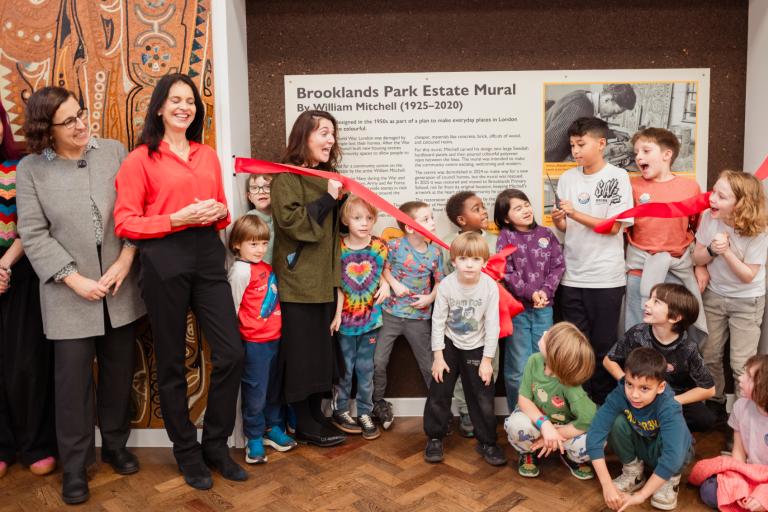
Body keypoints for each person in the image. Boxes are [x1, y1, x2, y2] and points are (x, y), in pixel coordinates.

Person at [114, 73, 246, 490]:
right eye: (175, 100)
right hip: (163, 258)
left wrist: (215, 214)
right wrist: (175, 219)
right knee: (170, 361)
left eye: (190, 101)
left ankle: (217, 446)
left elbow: (223, 210)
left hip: (208, 253)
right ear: (159, 107)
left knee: (231, 353)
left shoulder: (206, 155)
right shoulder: (140, 159)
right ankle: (186, 453)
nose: (184, 106)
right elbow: (125, 221)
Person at [17, 87, 145, 504]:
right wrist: (73, 279)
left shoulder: (113, 151)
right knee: (72, 386)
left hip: (119, 286)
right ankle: (75, 467)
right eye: (68, 120)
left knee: (118, 372)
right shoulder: (31, 169)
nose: (80, 124)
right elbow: (33, 234)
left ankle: (115, 445)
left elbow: (134, 210)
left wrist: (126, 261)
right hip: (67, 293)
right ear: (46, 130)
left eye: (81, 114)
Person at [270, 110, 346, 448]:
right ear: (305, 136)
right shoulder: (286, 178)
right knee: (301, 355)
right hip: (298, 283)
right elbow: (294, 224)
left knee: (320, 354)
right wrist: (329, 198)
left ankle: (316, 416)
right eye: (324, 133)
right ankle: (302, 421)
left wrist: (339, 203)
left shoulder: (329, 176)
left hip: (324, 281)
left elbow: (334, 230)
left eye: (333, 134)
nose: (330, 140)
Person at [551, 116, 633, 404]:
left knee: (603, 346)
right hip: (571, 276)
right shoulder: (567, 178)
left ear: (601, 143)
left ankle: (603, 405)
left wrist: (573, 214)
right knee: (577, 346)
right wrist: (561, 220)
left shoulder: (618, 177)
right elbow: (565, 230)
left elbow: (612, 227)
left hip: (606, 278)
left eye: (581, 144)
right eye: (572, 145)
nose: (575, 151)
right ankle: (579, 403)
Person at [0, 99, 57, 481]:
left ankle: (37, 443)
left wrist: (4, 264)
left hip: (21, 273)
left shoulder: (20, 169)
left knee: (28, 362)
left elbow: (33, 223)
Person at [422, 232, 505, 466]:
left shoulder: (489, 286)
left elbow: (492, 325)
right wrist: (438, 357)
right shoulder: (447, 285)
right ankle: (435, 438)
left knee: (482, 397)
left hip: (478, 346)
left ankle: (488, 442)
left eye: (476, 259)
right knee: (439, 393)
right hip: (449, 343)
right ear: (454, 260)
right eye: (464, 259)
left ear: (485, 262)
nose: (469, 264)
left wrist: (487, 361)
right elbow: (437, 321)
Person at [693, 170, 767, 408]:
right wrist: (712, 252)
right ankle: (715, 407)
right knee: (710, 355)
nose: (712, 198)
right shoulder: (708, 217)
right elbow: (697, 258)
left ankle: (742, 416)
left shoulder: (758, 230)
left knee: (741, 364)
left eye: (721, 196)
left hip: (747, 301)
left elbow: (748, 276)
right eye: (713, 191)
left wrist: (726, 252)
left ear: (740, 204)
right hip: (714, 295)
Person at [624, 128, 706, 338]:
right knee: (637, 329)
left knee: (677, 329)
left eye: (645, 150)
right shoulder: (631, 186)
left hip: (677, 269)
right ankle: (638, 370)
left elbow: (699, 230)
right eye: (636, 153)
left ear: (666, 155)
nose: (638, 157)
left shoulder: (690, 188)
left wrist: (701, 266)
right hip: (640, 270)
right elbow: (622, 228)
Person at [587, 348, 692, 511]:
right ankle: (633, 473)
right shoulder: (620, 393)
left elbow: (673, 456)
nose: (634, 395)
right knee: (616, 421)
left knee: (676, 441)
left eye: (644, 388)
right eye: (630, 384)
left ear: (661, 387)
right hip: (643, 444)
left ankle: (669, 479)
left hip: (669, 455)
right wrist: (606, 484)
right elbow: (595, 435)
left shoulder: (669, 406)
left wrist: (641, 496)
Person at [227, 215, 296, 464]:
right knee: (255, 391)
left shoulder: (266, 268)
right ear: (237, 244)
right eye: (253, 244)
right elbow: (233, 307)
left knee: (273, 388)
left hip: (274, 339)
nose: (260, 249)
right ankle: (253, 437)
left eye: (263, 244)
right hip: (254, 342)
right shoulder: (239, 272)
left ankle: (272, 428)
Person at [604, 283, 716, 432]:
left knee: (705, 419)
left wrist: (672, 402)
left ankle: (672, 432)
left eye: (656, 301)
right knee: (615, 412)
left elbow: (709, 389)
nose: (647, 304)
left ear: (675, 317)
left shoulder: (689, 348)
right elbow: (608, 360)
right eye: (650, 298)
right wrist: (629, 385)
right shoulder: (637, 333)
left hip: (672, 396)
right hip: (639, 393)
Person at [373, 201, 444, 430]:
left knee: (428, 365)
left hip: (419, 317)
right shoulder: (393, 246)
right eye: (425, 219)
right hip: (390, 314)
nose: (432, 222)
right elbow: (381, 267)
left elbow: (440, 281)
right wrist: (392, 283)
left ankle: (438, 409)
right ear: (410, 227)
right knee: (378, 362)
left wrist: (430, 298)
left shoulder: (436, 251)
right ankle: (378, 403)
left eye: (431, 218)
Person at [494, 188, 564, 411]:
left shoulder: (547, 234)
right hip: (518, 309)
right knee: (518, 364)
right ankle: (519, 413)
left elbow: (558, 266)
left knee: (543, 359)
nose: (525, 210)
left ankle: (543, 411)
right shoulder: (506, 236)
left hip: (544, 307)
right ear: (506, 217)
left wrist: (545, 291)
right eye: (518, 208)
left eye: (526, 204)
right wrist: (529, 293)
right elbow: (507, 270)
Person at [503, 322, 596, 480]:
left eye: (548, 335)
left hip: (562, 430)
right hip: (535, 421)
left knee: (595, 441)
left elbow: (589, 419)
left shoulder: (570, 385)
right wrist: (545, 425)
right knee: (516, 424)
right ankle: (528, 452)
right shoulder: (534, 361)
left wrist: (556, 434)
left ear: (554, 354)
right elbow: (524, 399)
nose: (544, 332)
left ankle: (570, 456)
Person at [330, 196, 389, 440]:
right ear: (345, 220)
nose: (364, 223)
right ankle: (341, 410)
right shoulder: (338, 248)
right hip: (346, 321)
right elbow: (338, 285)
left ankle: (364, 412)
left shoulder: (380, 246)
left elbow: (383, 269)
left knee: (366, 368)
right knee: (345, 369)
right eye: (357, 218)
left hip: (371, 320)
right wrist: (336, 315)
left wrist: (386, 282)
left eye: (369, 218)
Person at [441, 190, 498, 438]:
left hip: (490, 321)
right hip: (460, 324)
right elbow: (446, 281)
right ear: (461, 220)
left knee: (489, 366)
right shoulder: (447, 244)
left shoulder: (497, 240)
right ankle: (465, 411)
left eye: (483, 206)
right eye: (476, 208)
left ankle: (484, 412)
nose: (484, 211)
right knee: (462, 371)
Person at [694, 355, 768, 510]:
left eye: (748, 376)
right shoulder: (740, 407)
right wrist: (738, 486)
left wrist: (764, 496)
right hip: (751, 472)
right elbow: (738, 454)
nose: (740, 378)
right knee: (709, 491)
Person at [545, 84, 637, 162]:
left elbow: (587, 126)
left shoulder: (585, 97)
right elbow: (549, 150)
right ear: (608, 99)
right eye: (615, 112)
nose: (613, 116)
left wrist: (613, 133)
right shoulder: (579, 107)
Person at [245, 174, 275, 264]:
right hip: (260, 274)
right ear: (250, 197)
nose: (261, 191)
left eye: (267, 187)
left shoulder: (282, 216)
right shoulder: (248, 220)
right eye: (254, 188)